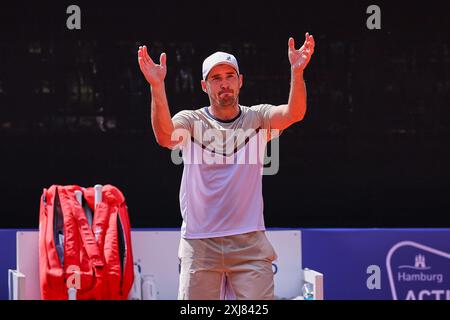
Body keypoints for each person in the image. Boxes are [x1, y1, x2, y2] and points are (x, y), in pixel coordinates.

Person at [137, 33, 315, 300]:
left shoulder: (258, 117)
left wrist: (297, 71)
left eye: (230, 76)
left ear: (240, 81)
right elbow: (164, 136)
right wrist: (156, 86)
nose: (224, 84)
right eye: (216, 79)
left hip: (250, 245)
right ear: (204, 86)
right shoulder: (191, 120)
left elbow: (294, 113)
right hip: (200, 244)